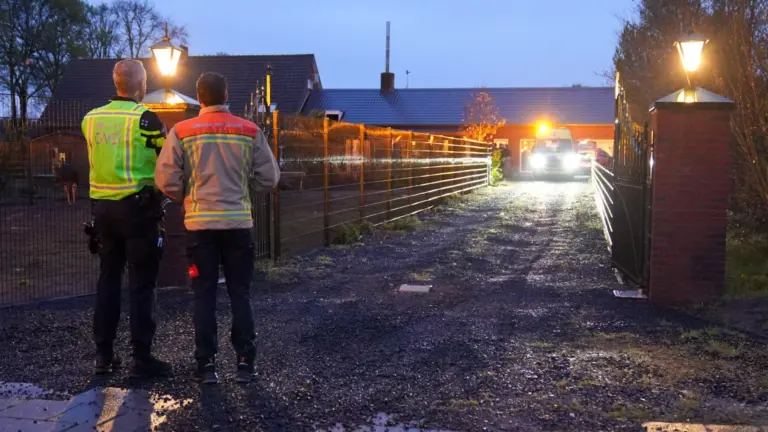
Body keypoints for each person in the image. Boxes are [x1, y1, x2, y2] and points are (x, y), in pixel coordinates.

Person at [155, 72, 279, 384]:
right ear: (226, 96)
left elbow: (166, 179)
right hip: (238, 225)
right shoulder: (249, 131)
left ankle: (206, 365)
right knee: (241, 292)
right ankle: (245, 363)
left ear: (199, 98)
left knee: (204, 295)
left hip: (200, 227)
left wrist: (188, 195)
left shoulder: (182, 131)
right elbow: (269, 178)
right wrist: (244, 187)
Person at [81, 59, 172, 378]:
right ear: (141, 85)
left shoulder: (90, 120)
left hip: (102, 211)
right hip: (138, 210)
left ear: (116, 82)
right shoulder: (146, 120)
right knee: (142, 282)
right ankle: (141, 357)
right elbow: (167, 158)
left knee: (107, 279)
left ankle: (103, 355)